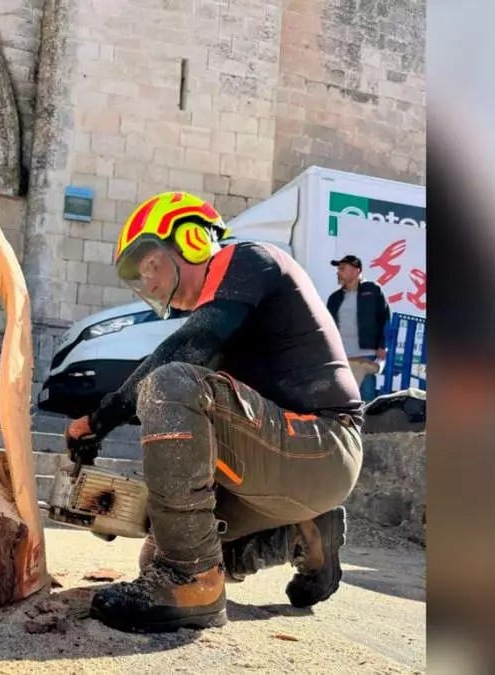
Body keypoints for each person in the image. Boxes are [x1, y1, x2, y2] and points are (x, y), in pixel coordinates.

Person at [66, 192, 364, 633]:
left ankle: (193, 584)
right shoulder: (229, 317)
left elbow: (182, 354)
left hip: (324, 443)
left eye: (151, 265)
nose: (148, 283)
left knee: (168, 382)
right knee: (165, 551)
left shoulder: (246, 259)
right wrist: (124, 508)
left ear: (191, 240)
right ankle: (301, 534)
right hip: (287, 467)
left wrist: (98, 421)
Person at [326, 255, 390, 403]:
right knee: (343, 392)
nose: (338, 272)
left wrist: (382, 345)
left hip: (366, 353)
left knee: (367, 393)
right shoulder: (334, 298)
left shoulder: (373, 290)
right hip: (342, 353)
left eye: (342, 269)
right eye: (338, 269)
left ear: (356, 271)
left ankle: (368, 418)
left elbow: (385, 318)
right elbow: (328, 326)